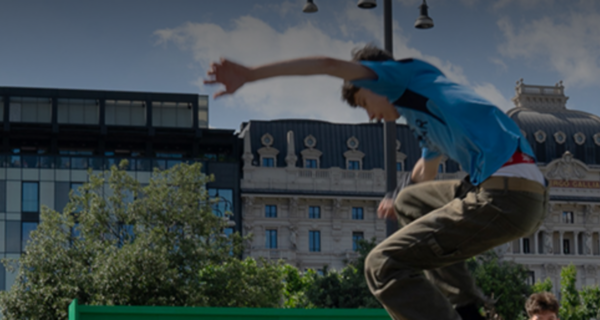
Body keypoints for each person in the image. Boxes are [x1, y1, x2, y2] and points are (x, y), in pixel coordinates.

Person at [205, 44, 549, 320]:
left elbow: (327, 63)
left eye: (364, 103)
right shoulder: (426, 114)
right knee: (410, 202)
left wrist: (250, 75)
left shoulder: (403, 77)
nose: (370, 116)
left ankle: (462, 310)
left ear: (374, 85)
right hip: (517, 193)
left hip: (504, 193)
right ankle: (468, 307)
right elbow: (421, 176)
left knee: (381, 265)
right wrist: (396, 200)